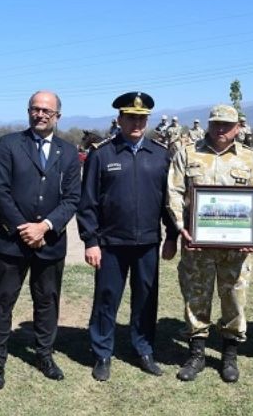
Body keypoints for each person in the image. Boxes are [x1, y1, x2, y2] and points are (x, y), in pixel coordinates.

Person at [77, 92, 179, 381]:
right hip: (111, 243)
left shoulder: (160, 155)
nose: (136, 123)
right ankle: (102, 353)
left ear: (147, 121)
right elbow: (88, 203)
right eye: (130, 117)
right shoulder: (102, 154)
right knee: (106, 299)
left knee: (146, 299)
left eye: (141, 118)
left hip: (148, 242)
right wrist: (91, 241)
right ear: (119, 119)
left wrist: (171, 236)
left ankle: (143, 349)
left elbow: (168, 202)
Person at [0, 91, 81, 390]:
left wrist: (45, 227)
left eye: (46, 111)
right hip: (11, 240)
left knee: (47, 302)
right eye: (35, 109)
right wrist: (23, 227)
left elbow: (72, 197)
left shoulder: (68, 152)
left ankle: (44, 354)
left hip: (50, 242)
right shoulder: (9, 144)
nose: (40, 115)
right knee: (3, 301)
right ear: (28, 112)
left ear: (58, 116)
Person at [167, 104, 253, 383]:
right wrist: (181, 227)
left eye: (227, 124)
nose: (221, 129)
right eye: (216, 123)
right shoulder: (188, 154)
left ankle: (229, 356)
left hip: (236, 249)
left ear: (238, 127)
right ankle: (197, 355)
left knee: (234, 300)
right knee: (196, 299)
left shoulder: (251, 159)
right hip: (197, 246)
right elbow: (174, 193)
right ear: (209, 125)